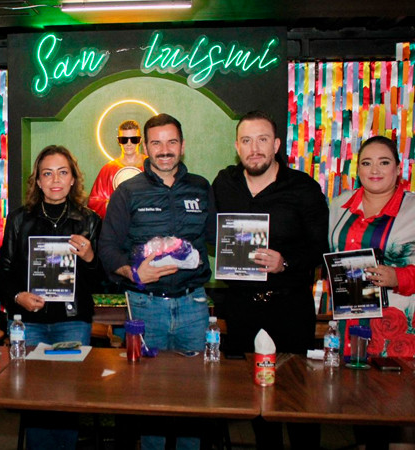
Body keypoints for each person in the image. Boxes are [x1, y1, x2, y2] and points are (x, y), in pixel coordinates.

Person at [99, 113, 216, 450]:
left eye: (172, 142)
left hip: (194, 305)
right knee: (147, 396)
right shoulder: (127, 191)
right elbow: (108, 247)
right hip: (145, 307)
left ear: (182, 145)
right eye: (157, 143)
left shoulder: (201, 187)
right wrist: (133, 272)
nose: (165, 150)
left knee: (194, 398)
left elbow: (219, 235)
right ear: (146, 147)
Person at [212, 110, 327, 449]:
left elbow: (321, 249)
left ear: (276, 144)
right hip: (242, 310)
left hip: (290, 309)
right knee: (256, 407)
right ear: (237, 147)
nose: (255, 148)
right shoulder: (224, 183)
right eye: (246, 141)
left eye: (262, 140)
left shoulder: (303, 188)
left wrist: (285, 262)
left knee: (298, 403)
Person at [0, 145, 102, 450]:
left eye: (62, 172)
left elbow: (102, 279)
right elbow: (2, 271)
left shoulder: (89, 221)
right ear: (38, 181)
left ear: (73, 179)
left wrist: (91, 256)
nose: (55, 179)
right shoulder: (19, 219)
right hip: (31, 322)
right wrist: (18, 296)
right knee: (36, 399)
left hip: (72, 322)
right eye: (47, 173)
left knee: (67, 399)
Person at [329, 136, 415, 449]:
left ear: (398, 168)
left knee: (399, 415)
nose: (374, 169)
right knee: (358, 408)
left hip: (399, 327)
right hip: (352, 323)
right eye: (366, 162)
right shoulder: (340, 205)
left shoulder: (412, 208)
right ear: (357, 168)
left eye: (384, 162)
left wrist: (399, 276)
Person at [88, 120, 147, 219]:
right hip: (118, 225)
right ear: (119, 141)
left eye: (134, 139)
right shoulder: (108, 169)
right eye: (124, 139)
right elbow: (93, 202)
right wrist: (111, 205)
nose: (129, 143)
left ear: (140, 140)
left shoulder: (151, 165)